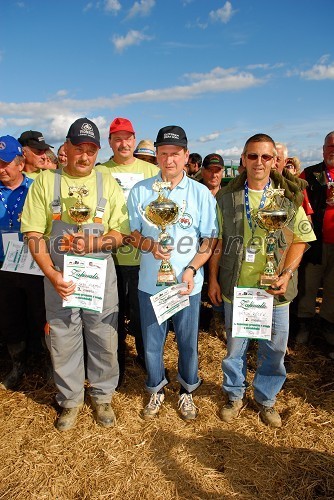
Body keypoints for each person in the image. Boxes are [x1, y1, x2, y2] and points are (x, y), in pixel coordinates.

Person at [21, 118, 130, 431]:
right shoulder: (46, 182)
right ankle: (70, 400)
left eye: (91, 150)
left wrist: (95, 241)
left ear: (97, 152)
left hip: (100, 278)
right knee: (63, 335)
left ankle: (102, 394)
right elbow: (33, 234)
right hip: (60, 277)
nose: (85, 156)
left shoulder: (106, 182)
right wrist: (52, 275)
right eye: (78, 148)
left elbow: (120, 233)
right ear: (65, 147)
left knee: (104, 334)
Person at [208, 133, 315, 428]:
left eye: (266, 157)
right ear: (243, 160)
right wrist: (213, 280)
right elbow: (217, 241)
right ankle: (234, 395)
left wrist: (287, 273)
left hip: (275, 293)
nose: (259, 162)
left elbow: (302, 238)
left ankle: (266, 399)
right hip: (236, 290)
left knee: (274, 350)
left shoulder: (288, 197)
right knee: (235, 349)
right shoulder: (226, 199)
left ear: (274, 161)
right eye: (252, 156)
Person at [127, 125, 218, 421]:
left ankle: (187, 391)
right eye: (163, 154)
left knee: (188, 344)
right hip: (150, 284)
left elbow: (209, 239)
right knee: (152, 344)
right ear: (156, 156)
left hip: (187, 286)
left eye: (175, 154)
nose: (169, 160)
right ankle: (156, 388)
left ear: (186, 155)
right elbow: (132, 234)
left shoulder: (200, 193)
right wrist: (148, 244)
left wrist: (192, 268)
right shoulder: (141, 192)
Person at [96, 117, 159, 384]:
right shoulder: (99, 172)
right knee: (111, 316)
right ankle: (115, 366)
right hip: (109, 257)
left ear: (134, 140)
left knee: (144, 313)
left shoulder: (150, 171)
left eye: (128, 138)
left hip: (143, 258)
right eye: (117, 138)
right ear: (110, 142)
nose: (123, 143)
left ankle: (148, 360)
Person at [0, 136, 46, 389]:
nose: (2, 169)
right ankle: (18, 364)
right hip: (3, 267)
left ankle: (49, 363)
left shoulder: (36, 189)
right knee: (10, 317)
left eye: (6, 163)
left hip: (33, 265)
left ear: (20, 163)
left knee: (41, 314)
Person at [296, 132, 334, 351]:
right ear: (322, 150)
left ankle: (328, 325)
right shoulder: (310, 174)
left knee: (332, 287)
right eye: (330, 146)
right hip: (316, 242)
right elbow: (301, 205)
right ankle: (305, 324)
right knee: (309, 285)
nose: (333, 150)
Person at [200, 153, 226, 340]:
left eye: (217, 171)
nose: (213, 175)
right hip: (196, 248)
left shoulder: (228, 195)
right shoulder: (195, 192)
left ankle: (217, 320)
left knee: (219, 281)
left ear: (223, 173)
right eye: (210, 170)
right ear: (203, 171)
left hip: (222, 248)